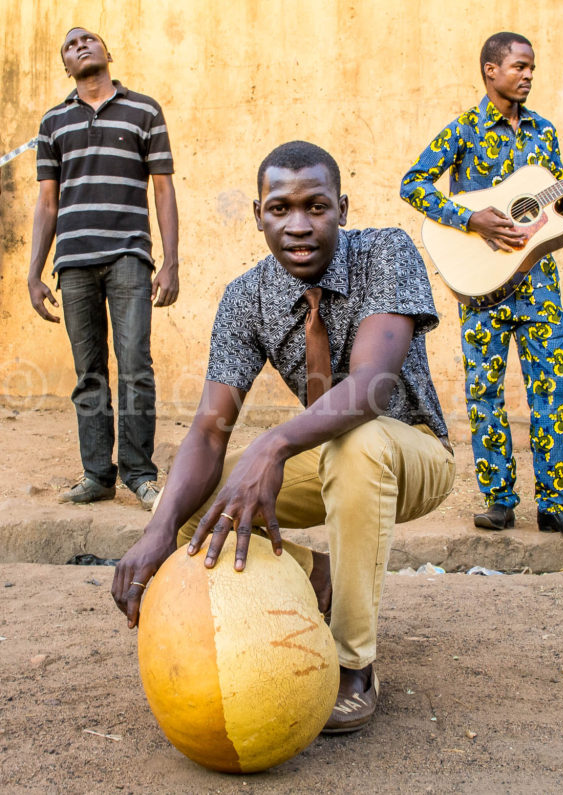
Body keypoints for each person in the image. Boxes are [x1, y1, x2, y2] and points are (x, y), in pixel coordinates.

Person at [111, 141, 455, 733]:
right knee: (194, 510)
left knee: (359, 442)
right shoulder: (246, 296)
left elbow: (373, 387)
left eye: (316, 207)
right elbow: (210, 427)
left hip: (411, 451)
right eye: (280, 209)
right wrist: (155, 531)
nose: (298, 226)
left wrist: (273, 445)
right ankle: (316, 578)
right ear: (258, 213)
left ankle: (353, 663)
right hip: (326, 454)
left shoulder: (387, 251)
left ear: (341, 208)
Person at [400, 31, 563, 541]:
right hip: (482, 288)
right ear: (490, 70)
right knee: (485, 393)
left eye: (532, 67)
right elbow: (413, 184)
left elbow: (553, 211)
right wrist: (471, 220)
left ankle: (554, 506)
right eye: (519, 66)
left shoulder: (545, 132)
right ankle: (499, 502)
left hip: (537, 284)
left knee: (554, 391)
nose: (528, 74)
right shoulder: (463, 132)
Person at [28, 27, 180, 509]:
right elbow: (46, 203)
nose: (80, 47)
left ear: (107, 53)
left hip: (129, 256)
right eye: (70, 46)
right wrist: (34, 272)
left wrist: (170, 261)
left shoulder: (145, 110)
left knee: (135, 366)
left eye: (87, 40)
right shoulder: (53, 122)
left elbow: (163, 190)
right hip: (72, 262)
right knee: (88, 371)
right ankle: (98, 475)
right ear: (66, 67)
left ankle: (139, 473)